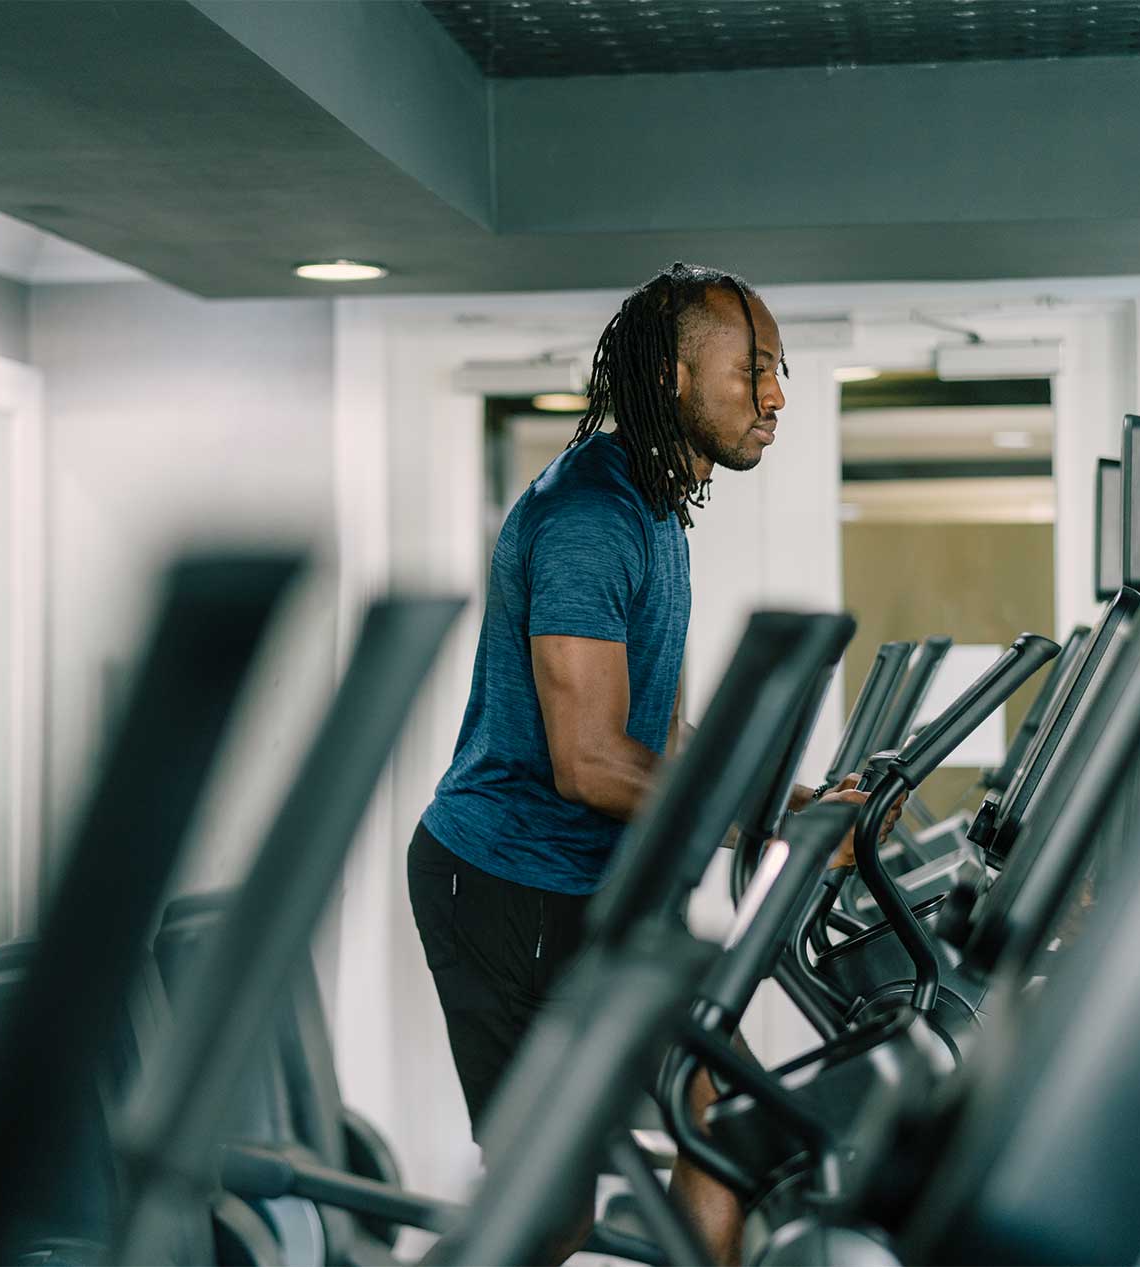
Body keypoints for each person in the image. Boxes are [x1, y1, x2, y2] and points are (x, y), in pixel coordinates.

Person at [407, 263, 885, 1265]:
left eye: (779, 371)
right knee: (547, 1211)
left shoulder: (658, 508)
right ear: (671, 377)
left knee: (718, 1128)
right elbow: (588, 761)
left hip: (594, 883)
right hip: (506, 885)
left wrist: (785, 801)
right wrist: (759, 823)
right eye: (751, 370)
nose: (775, 396)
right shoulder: (588, 514)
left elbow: (657, 736)